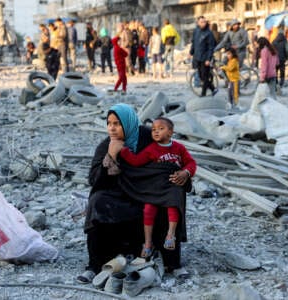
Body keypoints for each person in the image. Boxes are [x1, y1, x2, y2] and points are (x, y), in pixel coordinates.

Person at [77, 104, 191, 283]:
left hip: (148, 192)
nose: (112, 128)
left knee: (172, 194)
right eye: (109, 123)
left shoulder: (149, 137)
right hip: (119, 196)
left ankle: (173, 263)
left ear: (128, 123)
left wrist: (184, 174)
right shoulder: (107, 145)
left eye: (117, 124)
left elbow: (171, 159)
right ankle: (94, 265)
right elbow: (94, 180)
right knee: (97, 201)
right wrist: (112, 156)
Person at [120, 117, 196, 258]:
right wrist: (123, 151)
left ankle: (170, 235)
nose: (156, 131)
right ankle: (148, 242)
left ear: (170, 132)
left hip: (172, 185)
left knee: (173, 204)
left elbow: (191, 163)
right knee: (148, 209)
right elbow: (136, 162)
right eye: (154, 129)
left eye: (161, 129)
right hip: (155, 186)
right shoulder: (151, 149)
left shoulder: (179, 148)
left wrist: (185, 172)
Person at [190, 16, 217, 97]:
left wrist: (208, 59)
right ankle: (213, 88)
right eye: (201, 22)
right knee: (201, 76)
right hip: (197, 57)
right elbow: (193, 43)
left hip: (205, 58)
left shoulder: (209, 33)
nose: (203, 23)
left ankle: (203, 94)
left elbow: (211, 47)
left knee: (205, 77)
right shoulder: (196, 31)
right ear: (198, 23)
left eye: (204, 22)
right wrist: (191, 52)